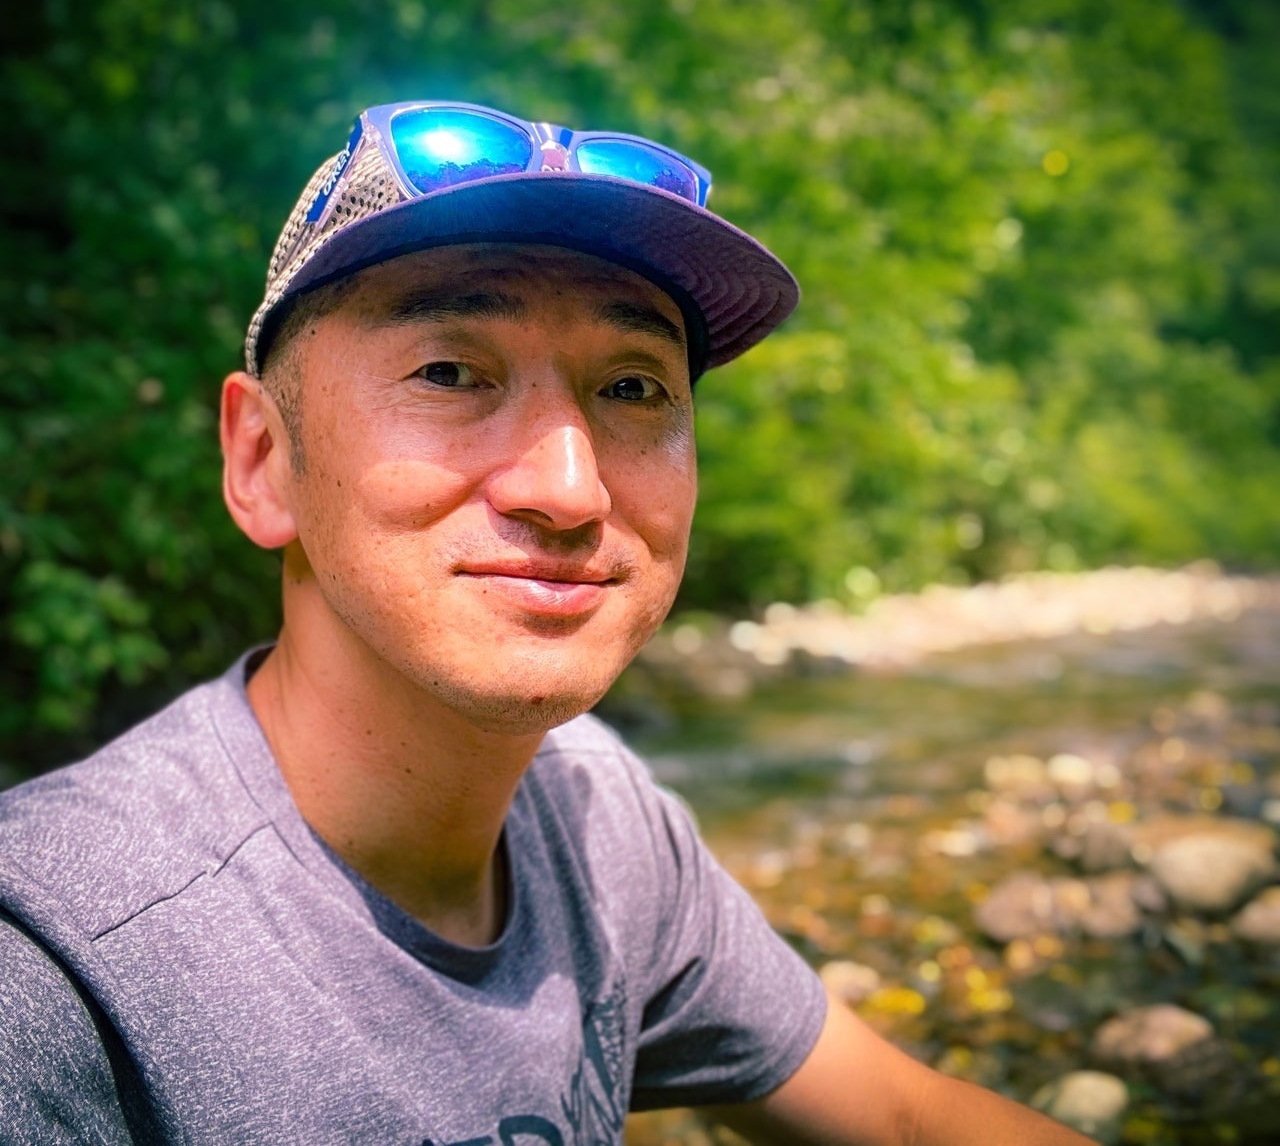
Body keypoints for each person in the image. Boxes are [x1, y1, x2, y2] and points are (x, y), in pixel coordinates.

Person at [0, 101, 1089, 1144]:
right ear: (262, 461)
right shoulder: (55, 971)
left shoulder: (597, 815)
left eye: (633, 388)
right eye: (448, 371)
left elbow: (903, 1117)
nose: (569, 490)